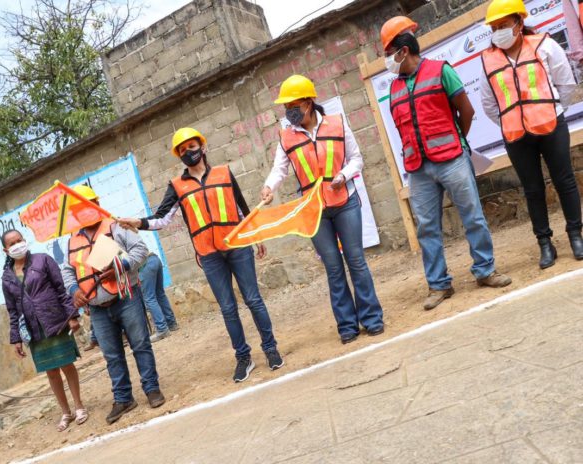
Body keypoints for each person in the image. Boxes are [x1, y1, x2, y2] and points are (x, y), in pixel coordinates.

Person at [118, 128, 284, 383]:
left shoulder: (224, 173)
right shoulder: (177, 186)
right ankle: (243, 357)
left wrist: (255, 236)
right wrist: (138, 223)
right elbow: (162, 218)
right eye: (182, 151)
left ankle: (270, 348)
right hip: (209, 254)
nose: (188, 152)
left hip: (238, 246)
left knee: (253, 299)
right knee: (228, 308)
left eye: (192, 146)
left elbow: (242, 208)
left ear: (202, 147)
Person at [380, 16, 513, 310]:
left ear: (404, 50)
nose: (387, 60)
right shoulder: (394, 88)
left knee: (473, 216)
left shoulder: (441, 71)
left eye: (389, 53)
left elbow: (465, 110)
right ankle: (439, 285)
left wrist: (457, 142)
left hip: (452, 158)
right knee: (427, 228)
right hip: (418, 168)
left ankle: (485, 270)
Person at [260, 74, 385, 344]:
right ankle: (347, 327)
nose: (289, 111)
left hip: (345, 201)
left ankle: (372, 319)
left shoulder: (337, 124)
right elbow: (279, 169)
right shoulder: (286, 137)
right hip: (314, 210)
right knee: (333, 267)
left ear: (309, 102)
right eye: (286, 107)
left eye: (294, 105)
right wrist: (269, 187)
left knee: (356, 262)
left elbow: (356, 159)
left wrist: (344, 175)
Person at [480, 0, 583, 268]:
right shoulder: (488, 60)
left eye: (503, 25)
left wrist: (552, 108)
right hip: (516, 134)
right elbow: (490, 105)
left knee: (565, 180)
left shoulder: (544, 45)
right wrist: (514, 118)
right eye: (494, 27)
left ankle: (575, 234)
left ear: (519, 23)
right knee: (533, 189)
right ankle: (545, 243)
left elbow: (566, 83)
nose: (498, 31)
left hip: (551, 124)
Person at [61, 185, 164, 425]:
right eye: (79, 209)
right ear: (75, 214)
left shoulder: (115, 226)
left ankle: (151, 389)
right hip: (97, 308)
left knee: (140, 345)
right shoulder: (72, 240)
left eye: (88, 205)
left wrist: (121, 266)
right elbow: (68, 271)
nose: (84, 211)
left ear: (96, 203)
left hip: (126, 297)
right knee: (112, 356)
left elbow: (140, 250)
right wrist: (74, 290)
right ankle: (123, 398)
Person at [1, 229, 88, 432]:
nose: (17, 245)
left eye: (19, 240)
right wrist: (16, 339)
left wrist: (73, 316)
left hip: (56, 321)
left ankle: (79, 406)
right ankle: (66, 412)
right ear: (5, 249)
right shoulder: (6, 277)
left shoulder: (43, 260)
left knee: (67, 365)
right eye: (12, 243)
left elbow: (61, 289)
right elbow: (12, 310)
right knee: (51, 371)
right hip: (34, 330)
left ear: (25, 241)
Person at [139, 252, 179, 342]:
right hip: (154, 259)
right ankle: (172, 323)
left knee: (149, 298)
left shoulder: (113, 241)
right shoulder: (130, 238)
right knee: (160, 294)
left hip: (144, 265)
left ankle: (162, 329)